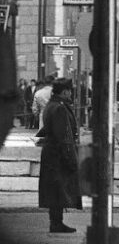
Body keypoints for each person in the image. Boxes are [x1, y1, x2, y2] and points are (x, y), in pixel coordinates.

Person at [38, 78, 81, 233]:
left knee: (56, 189)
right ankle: (56, 223)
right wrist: (71, 158)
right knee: (58, 189)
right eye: (70, 90)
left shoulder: (52, 105)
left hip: (51, 153)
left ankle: (56, 222)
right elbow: (64, 136)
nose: (71, 93)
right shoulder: (60, 108)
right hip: (58, 155)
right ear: (65, 91)